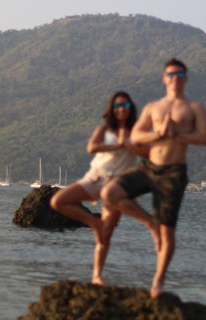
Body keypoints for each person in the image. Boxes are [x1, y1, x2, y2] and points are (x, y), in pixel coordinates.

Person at [101, 58, 206, 298]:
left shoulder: (194, 108)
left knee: (168, 232)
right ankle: (148, 222)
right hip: (149, 166)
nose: (175, 79)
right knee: (109, 193)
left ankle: (158, 283)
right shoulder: (153, 107)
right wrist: (158, 133)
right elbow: (137, 136)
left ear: (186, 78)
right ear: (164, 78)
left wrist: (178, 133)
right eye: (171, 74)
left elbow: (205, 137)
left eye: (180, 75)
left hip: (174, 172)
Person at [50, 91, 149, 285]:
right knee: (58, 201)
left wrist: (130, 144)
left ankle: (97, 276)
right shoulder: (104, 130)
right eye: (118, 105)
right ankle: (94, 223)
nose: (122, 109)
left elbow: (148, 151)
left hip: (117, 186)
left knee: (107, 233)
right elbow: (92, 147)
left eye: (126, 105)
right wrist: (118, 145)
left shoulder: (137, 131)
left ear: (131, 109)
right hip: (95, 178)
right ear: (112, 109)